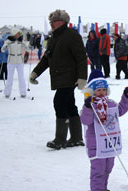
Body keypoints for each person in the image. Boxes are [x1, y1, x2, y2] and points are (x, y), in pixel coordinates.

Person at [29, 9, 88, 149]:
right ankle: (76, 138)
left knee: (59, 102)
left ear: (62, 21)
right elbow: (46, 58)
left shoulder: (72, 35)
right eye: (51, 21)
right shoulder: (54, 37)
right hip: (59, 77)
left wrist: (82, 78)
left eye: (54, 21)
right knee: (69, 104)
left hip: (70, 77)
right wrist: (35, 73)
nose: (51, 23)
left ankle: (60, 139)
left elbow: (81, 57)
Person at [80, 69, 128, 191]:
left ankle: (103, 188)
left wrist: (126, 98)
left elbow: (119, 110)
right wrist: (88, 107)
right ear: (92, 91)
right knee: (99, 168)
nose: (101, 92)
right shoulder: (91, 105)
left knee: (108, 167)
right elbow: (86, 120)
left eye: (104, 89)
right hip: (96, 144)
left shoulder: (110, 103)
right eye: (98, 90)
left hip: (109, 144)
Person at [1, 28, 29, 98]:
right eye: (18, 33)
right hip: (11, 61)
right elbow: (3, 49)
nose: (19, 35)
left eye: (19, 33)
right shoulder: (8, 41)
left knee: (21, 77)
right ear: (14, 33)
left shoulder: (21, 41)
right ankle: (7, 93)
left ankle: (23, 92)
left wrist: (29, 47)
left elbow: (27, 48)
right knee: (10, 77)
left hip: (20, 60)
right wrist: (4, 48)